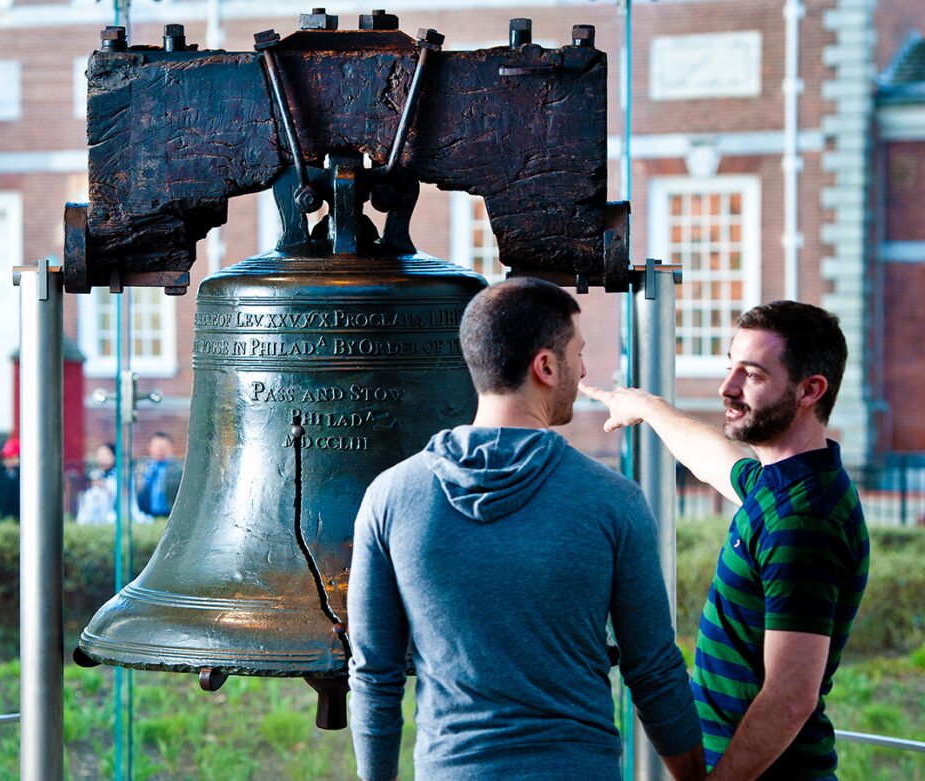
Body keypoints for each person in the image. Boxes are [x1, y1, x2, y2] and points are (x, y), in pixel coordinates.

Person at [347, 278, 705, 781]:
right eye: (577, 355)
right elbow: (654, 671)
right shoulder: (612, 500)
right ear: (545, 366)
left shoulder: (389, 497)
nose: (583, 372)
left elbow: (374, 676)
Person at [580, 300, 870, 780]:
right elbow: (715, 460)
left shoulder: (802, 521)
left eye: (752, 375)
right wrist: (647, 407)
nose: (726, 388)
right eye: (729, 367)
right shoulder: (777, 485)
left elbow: (790, 697)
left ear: (809, 390)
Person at [136, 432, 183, 518]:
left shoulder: (180, 468)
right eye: (157, 446)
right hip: (147, 516)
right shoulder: (142, 467)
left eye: (164, 446)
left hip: (170, 516)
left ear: (171, 448)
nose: (160, 449)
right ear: (150, 448)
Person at [0, 437, 20, 521]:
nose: (7, 461)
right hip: (6, 514)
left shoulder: (22, 474)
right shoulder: (1, 473)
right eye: (5, 458)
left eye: (11, 458)